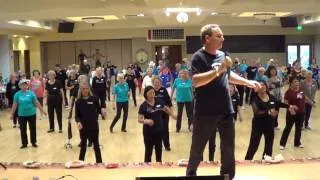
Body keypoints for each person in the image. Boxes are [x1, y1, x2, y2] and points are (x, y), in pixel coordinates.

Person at [186, 24, 260, 179]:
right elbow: (196, 81)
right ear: (207, 38)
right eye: (219, 36)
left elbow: (228, 75)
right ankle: (191, 175)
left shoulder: (222, 55)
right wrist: (218, 70)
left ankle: (227, 177)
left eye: (222, 35)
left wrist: (248, 83)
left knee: (228, 150)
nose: (223, 39)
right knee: (197, 150)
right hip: (205, 112)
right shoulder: (198, 57)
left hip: (226, 110)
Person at [245, 81, 293, 160]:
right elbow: (257, 112)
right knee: (253, 146)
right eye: (260, 85)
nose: (262, 86)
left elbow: (278, 103)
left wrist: (289, 106)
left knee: (269, 146)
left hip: (269, 125)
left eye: (264, 85)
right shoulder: (255, 99)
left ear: (266, 87)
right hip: (258, 125)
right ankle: (246, 163)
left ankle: (266, 161)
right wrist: (269, 112)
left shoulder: (271, 97)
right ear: (256, 88)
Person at [138, 86, 175, 162]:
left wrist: (172, 115)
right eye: (150, 93)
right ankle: (147, 168)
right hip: (148, 132)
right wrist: (146, 121)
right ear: (146, 94)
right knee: (148, 151)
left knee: (159, 151)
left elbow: (165, 108)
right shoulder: (143, 106)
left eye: (153, 92)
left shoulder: (158, 101)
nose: (152, 94)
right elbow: (139, 119)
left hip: (159, 130)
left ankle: (159, 168)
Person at [11, 79, 47, 149]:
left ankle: (33, 142)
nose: (24, 86)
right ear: (19, 86)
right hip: (21, 115)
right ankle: (24, 143)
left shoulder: (31, 93)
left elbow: (36, 102)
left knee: (32, 129)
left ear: (27, 86)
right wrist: (12, 114)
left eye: (25, 85)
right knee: (23, 129)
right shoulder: (17, 94)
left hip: (32, 114)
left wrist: (42, 110)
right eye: (22, 85)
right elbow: (14, 105)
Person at [75, 82, 103, 163]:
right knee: (83, 146)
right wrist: (78, 122)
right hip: (83, 128)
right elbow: (77, 116)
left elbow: (99, 109)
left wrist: (103, 112)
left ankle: (99, 163)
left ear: (89, 89)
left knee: (96, 146)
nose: (85, 90)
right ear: (81, 90)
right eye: (83, 89)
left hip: (94, 126)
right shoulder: (78, 102)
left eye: (87, 88)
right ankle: (80, 163)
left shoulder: (94, 99)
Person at [280, 77, 306, 150]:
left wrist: (311, 102)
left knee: (299, 128)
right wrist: (290, 109)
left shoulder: (301, 91)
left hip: (301, 113)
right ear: (291, 83)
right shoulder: (288, 92)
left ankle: (297, 143)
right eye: (295, 82)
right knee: (288, 128)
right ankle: (282, 144)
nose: (297, 83)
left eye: (297, 82)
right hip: (291, 114)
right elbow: (285, 103)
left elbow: (303, 98)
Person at [152, 76, 173, 151]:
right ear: (153, 83)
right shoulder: (150, 90)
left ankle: (167, 145)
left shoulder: (163, 90)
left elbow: (168, 101)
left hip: (164, 113)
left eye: (158, 83)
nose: (157, 84)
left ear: (160, 83)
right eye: (155, 83)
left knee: (165, 129)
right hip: (154, 114)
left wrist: (172, 112)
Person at [266, 65, 282, 130]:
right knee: (272, 110)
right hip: (272, 97)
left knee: (277, 110)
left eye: (274, 70)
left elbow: (281, 85)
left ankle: (275, 125)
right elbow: (268, 88)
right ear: (269, 72)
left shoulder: (278, 77)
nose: (273, 72)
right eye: (272, 70)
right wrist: (272, 86)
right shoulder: (268, 79)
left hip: (279, 96)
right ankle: (271, 124)